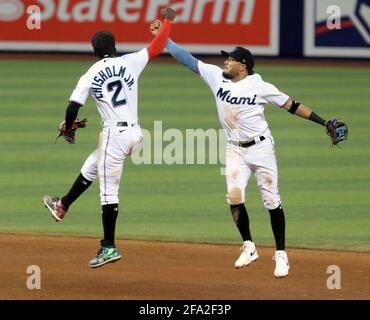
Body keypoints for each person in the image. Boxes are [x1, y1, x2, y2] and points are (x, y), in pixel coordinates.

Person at [150, 25, 346, 278]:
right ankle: (249, 246)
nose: (225, 61)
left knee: (272, 200)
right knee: (234, 196)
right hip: (235, 150)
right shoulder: (215, 76)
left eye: (230, 59)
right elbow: (186, 59)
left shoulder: (260, 85)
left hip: (262, 148)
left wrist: (324, 122)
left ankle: (281, 254)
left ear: (242, 66)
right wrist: (164, 38)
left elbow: (292, 105)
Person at [43, 8, 176, 268]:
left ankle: (109, 247)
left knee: (108, 193)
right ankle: (62, 204)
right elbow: (158, 45)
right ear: (114, 47)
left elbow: (73, 107)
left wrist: (69, 126)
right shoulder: (130, 61)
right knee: (91, 167)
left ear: (94, 51)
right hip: (135, 133)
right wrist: (168, 20)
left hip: (114, 136)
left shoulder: (91, 73)